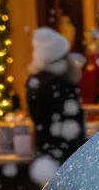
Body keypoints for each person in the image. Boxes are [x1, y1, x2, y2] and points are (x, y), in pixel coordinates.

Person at [25, 27, 87, 165]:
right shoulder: (61, 85)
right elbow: (72, 124)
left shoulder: (35, 82)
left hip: (46, 153)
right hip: (67, 156)